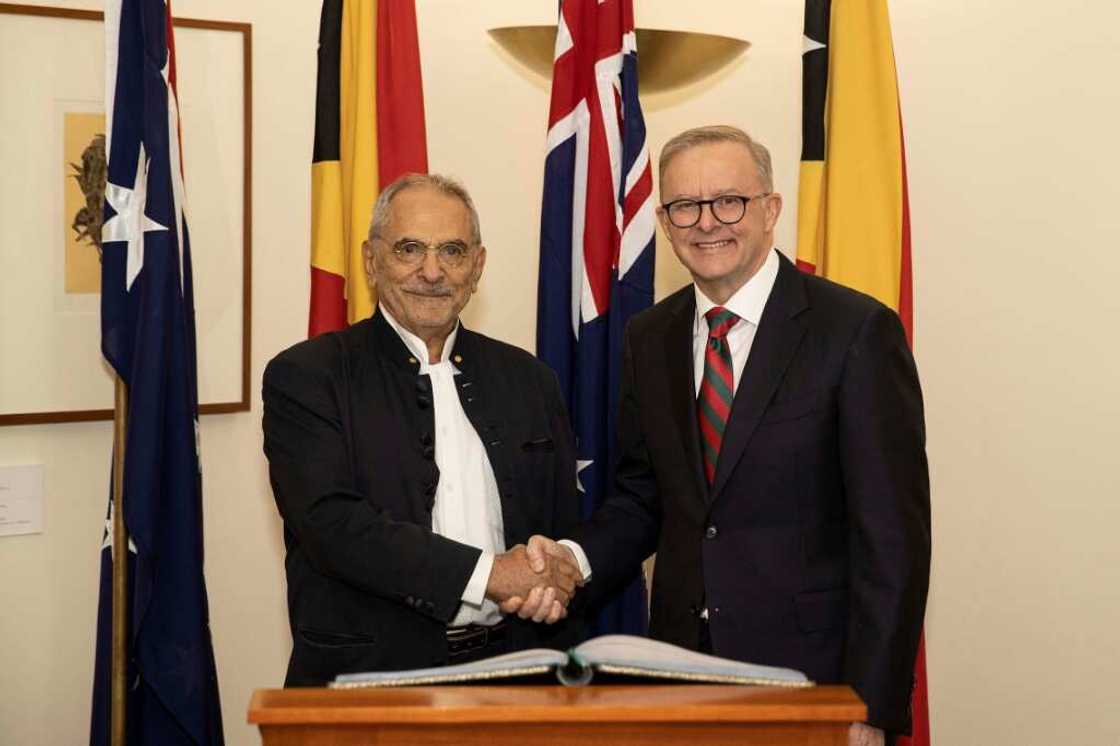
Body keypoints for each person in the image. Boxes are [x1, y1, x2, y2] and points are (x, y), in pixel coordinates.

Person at [514, 126, 930, 745]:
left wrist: (869, 705)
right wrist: (571, 561)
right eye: (685, 206)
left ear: (770, 209)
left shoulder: (855, 332)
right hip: (680, 674)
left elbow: (893, 539)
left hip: (813, 685)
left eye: (729, 201)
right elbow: (642, 498)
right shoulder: (650, 337)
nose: (707, 223)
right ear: (663, 219)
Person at [263, 173, 581, 686]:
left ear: (477, 266)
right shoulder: (308, 376)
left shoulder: (530, 379)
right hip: (370, 685)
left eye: (452, 251)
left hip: (518, 677)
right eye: (409, 249)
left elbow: (560, 520)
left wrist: (552, 572)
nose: (431, 271)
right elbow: (333, 526)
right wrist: (491, 575)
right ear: (371, 260)